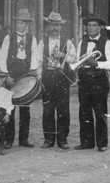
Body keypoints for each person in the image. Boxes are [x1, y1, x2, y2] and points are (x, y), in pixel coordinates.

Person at [74, 13, 110, 152]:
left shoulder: (107, 43)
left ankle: (102, 143)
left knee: (100, 111)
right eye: (89, 25)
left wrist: (96, 63)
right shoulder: (82, 42)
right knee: (84, 111)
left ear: (100, 28)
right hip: (84, 78)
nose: (91, 28)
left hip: (99, 79)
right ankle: (86, 142)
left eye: (94, 26)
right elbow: (79, 60)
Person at [0, 8, 39, 149]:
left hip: (25, 74)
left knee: (25, 108)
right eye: (18, 23)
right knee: (9, 109)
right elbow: (2, 58)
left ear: (27, 25)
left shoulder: (32, 39)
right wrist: (6, 76)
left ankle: (24, 139)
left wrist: (31, 71)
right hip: (11, 74)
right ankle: (9, 140)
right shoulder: (8, 38)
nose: (20, 26)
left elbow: (35, 56)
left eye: (23, 23)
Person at [37, 12, 76, 150]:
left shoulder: (68, 42)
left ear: (61, 26)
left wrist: (63, 55)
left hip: (62, 78)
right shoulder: (42, 42)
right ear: (48, 26)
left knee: (63, 110)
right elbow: (38, 62)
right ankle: (48, 139)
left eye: (57, 24)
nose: (54, 27)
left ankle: (62, 139)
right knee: (48, 110)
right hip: (48, 77)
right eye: (52, 24)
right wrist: (39, 79)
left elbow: (74, 59)